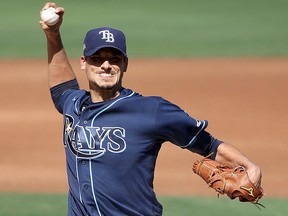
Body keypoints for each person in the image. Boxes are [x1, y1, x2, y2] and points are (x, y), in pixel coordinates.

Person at [39, 2, 262, 216]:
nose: (106, 65)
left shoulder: (152, 110)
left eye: (114, 59)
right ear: (84, 62)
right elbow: (61, 88)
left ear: (125, 64)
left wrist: (248, 165)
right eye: (97, 59)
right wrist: (53, 35)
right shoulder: (73, 104)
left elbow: (209, 145)